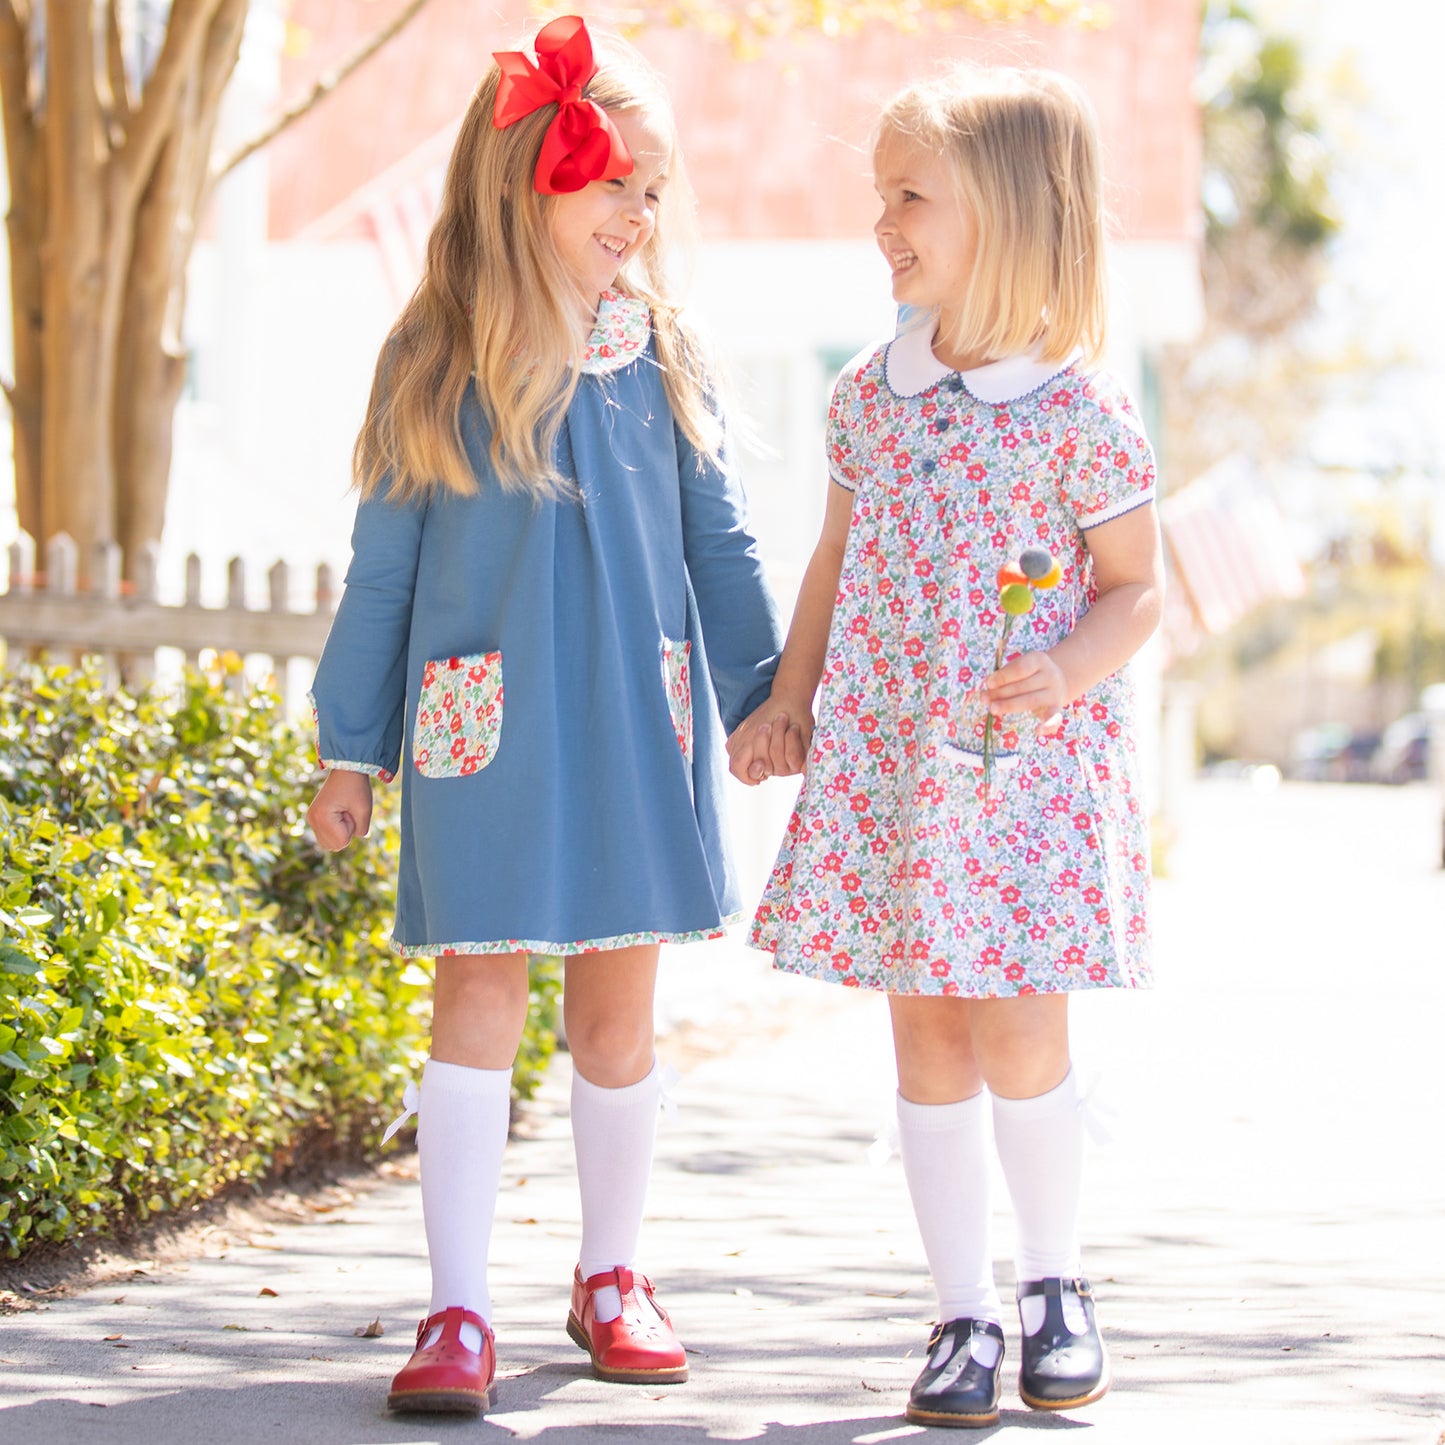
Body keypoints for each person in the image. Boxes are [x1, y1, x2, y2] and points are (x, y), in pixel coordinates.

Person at [306, 16, 783, 1417]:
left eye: (653, 188)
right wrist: (352, 743)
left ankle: (612, 1272)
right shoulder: (436, 353)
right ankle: (457, 1306)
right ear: (529, 179)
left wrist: (765, 700)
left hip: (641, 721)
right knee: (476, 991)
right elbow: (383, 567)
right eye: (614, 181)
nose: (640, 211)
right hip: (484, 731)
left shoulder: (664, 354)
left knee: (620, 1014)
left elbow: (726, 545)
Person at [731, 64, 1163, 1429]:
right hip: (896, 769)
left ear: (1012, 212)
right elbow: (832, 559)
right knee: (924, 1041)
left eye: (909, 195)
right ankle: (958, 1309)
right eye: (880, 196)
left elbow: (1136, 585)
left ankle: (1052, 1282)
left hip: (1019, 774)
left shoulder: (1077, 409)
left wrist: (1070, 663)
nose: (883, 222)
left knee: (1023, 1034)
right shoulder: (872, 394)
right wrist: (789, 695)